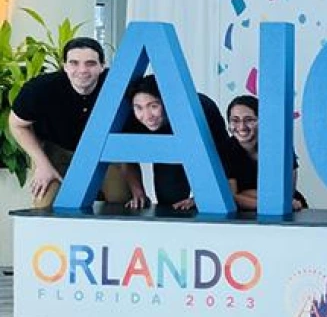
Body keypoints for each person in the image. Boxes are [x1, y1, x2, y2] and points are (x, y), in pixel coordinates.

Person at [7, 37, 141, 209]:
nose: (82, 70)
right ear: (65, 66)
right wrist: (42, 164)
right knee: (44, 205)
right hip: (55, 151)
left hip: (103, 152)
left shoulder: (119, 85)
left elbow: (128, 137)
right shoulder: (41, 88)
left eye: (91, 63)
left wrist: (136, 186)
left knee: (123, 203)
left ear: (102, 66)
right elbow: (17, 124)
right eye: (74, 63)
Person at [126, 74, 237, 211]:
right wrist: (137, 191)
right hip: (169, 155)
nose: (147, 116)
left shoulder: (201, 108)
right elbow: (122, 155)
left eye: (153, 106)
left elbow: (223, 155)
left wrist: (206, 196)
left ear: (167, 102)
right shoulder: (131, 117)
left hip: (204, 155)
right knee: (169, 200)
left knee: (208, 206)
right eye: (139, 108)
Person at [226, 95, 307, 212]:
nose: (242, 126)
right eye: (235, 120)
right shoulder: (226, 148)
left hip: (291, 208)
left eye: (249, 119)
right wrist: (274, 204)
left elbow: (286, 193)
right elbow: (232, 197)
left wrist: (245, 193)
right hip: (250, 213)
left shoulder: (278, 145)